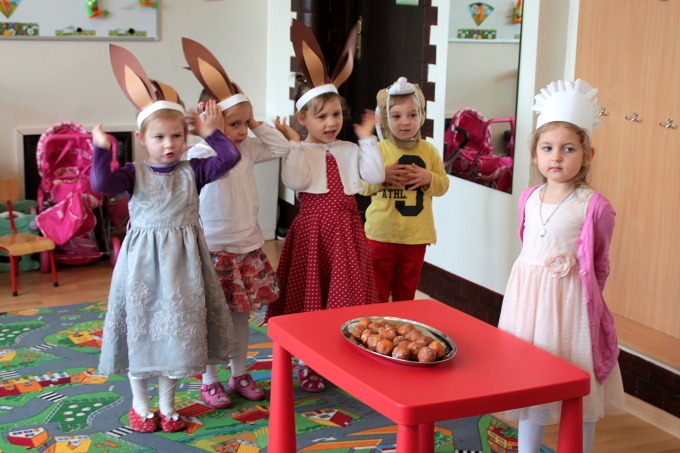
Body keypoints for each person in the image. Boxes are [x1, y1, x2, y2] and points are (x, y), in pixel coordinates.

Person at [92, 44, 240, 433]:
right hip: (141, 271)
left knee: (176, 336)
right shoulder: (133, 173)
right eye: (159, 137)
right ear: (142, 138)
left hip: (183, 271)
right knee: (141, 334)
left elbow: (229, 158)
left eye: (177, 135)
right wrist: (101, 151)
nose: (169, 144)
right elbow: (101, 183)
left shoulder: (194, 171)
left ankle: (167, 405)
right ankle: (141, 405)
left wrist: (211, 131)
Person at [497, 79, 626, 453]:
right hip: (527, 302)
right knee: (530, 378)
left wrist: (583, 299)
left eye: (568, 149)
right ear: (534, 153)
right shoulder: (528, 197)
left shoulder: (594, 206)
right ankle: (527, 448)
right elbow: (529, 248)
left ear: (587, 155)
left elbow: (599, 262)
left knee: (576, 383)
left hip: (570, 307)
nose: (556, 157)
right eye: (547, 148)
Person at [264, 19, 384, 393]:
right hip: (312, 232)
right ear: (303, 119)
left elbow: (375, 176)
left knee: (345, 296)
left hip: (346, 232)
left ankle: (343, 354)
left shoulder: (349, 149)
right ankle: (308, 360)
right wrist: (295, 144)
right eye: (321, 116)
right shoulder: (301, 150)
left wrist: (367, 140)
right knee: (310, 298)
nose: (331, 122)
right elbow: (295, 181)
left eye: (336, 114)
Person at [182, 37, 295, 406]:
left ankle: (239, 371)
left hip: (246, 248)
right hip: (213, 252)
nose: (243, 130)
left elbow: (282, 147)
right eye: (234, 124)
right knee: (212, 320)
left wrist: (256, 122)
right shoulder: (200, 154)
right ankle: (209, 379)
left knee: (241, 318)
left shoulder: (248, 147)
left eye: (245, 123)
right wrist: (214, 133)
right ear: (209, 122)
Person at [362, 77, 450, 302]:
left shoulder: (429, 151)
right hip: (380, 236)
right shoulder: (378, 150)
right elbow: (361, 187)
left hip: (415, 238)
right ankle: (376, 325)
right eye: (396, 116)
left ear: (421, 115)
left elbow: (443, 186)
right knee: (376, 295)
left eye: (412, 114)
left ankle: (401, 325)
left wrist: (429, 178)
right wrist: (381, 177)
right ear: (385, 118)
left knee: (405, 296)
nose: (405, 122)